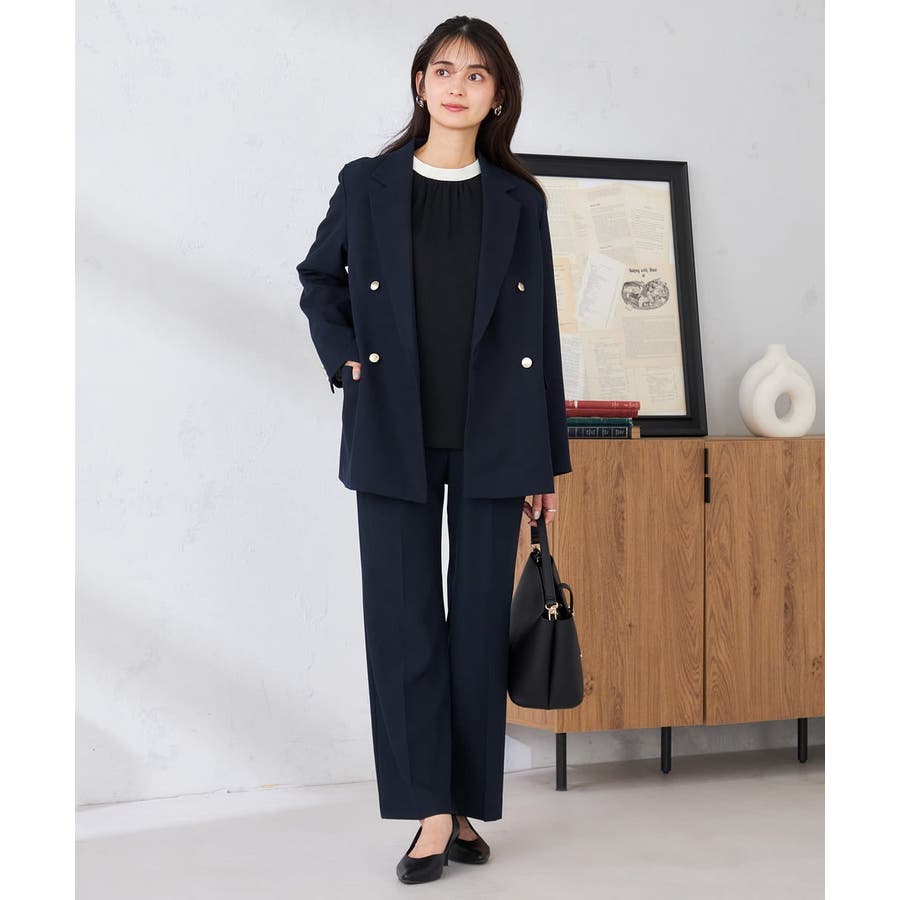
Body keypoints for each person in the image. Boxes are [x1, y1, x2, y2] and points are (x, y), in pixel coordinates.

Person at [296, 15, 572, 885]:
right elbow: (319, 279)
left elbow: (540, 331)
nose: (458, 86)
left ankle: (466, 804)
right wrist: (345, 359)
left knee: (479, 628)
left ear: (499, 96)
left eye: (477, 74)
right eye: (444, 69)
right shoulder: (369, 183)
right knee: (404, 623)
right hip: (392, 433)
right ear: (420, 82)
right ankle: (429, 812)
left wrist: (547, 459)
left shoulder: (519, 199)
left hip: (497, 439)